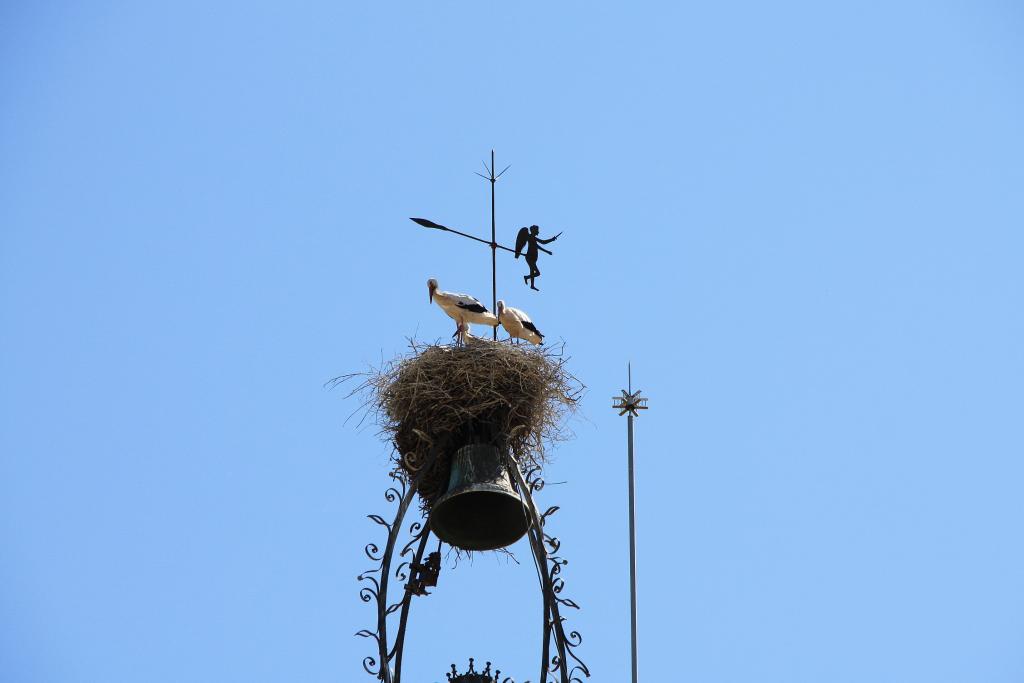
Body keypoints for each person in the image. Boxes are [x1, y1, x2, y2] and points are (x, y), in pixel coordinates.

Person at [514, 225, 561, 291]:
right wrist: (551, 240)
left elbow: (538, 246)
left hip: (533, 257)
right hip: (529, 257)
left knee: (532, 271)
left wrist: (547, 251)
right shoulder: (530, 237)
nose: (538, 232)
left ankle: (532, 285)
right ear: (534, 230)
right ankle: (526, 277)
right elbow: (543, 242)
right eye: (537, 230)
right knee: (538, 273)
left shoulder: (533, 238)